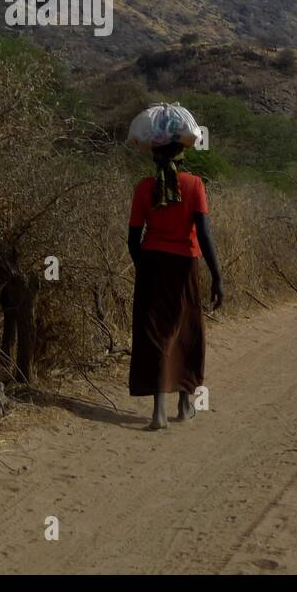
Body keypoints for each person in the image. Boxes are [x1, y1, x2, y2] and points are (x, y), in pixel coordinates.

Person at [128, 140, 223, 431]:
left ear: (155, 159)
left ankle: (158, 412)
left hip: (152, 263)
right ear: (182, 159)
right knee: (186, 330)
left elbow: (133, 238)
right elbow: (204, 235)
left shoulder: (144, 188)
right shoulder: (195, 186)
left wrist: (144, 267)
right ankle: (184, 405)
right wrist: (217, 277)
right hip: (185, 265)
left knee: (154, 332)